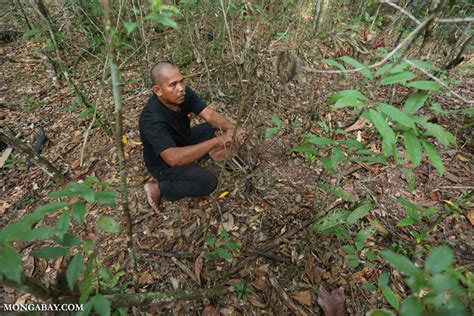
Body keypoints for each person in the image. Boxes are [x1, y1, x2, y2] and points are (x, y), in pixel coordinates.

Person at [139, 62, 241, 212]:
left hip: (182, 140)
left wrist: (233, 129)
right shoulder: (152, 119)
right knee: (208, 182)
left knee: (211, 127)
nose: (180, 88)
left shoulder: (183, 94)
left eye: (182, 81)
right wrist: (218, 141)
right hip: (164, 164)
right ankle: (160, 188)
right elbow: (173, 158)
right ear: (158, 90)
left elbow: (209, 114)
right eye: (173, 85)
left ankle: (206, 156)